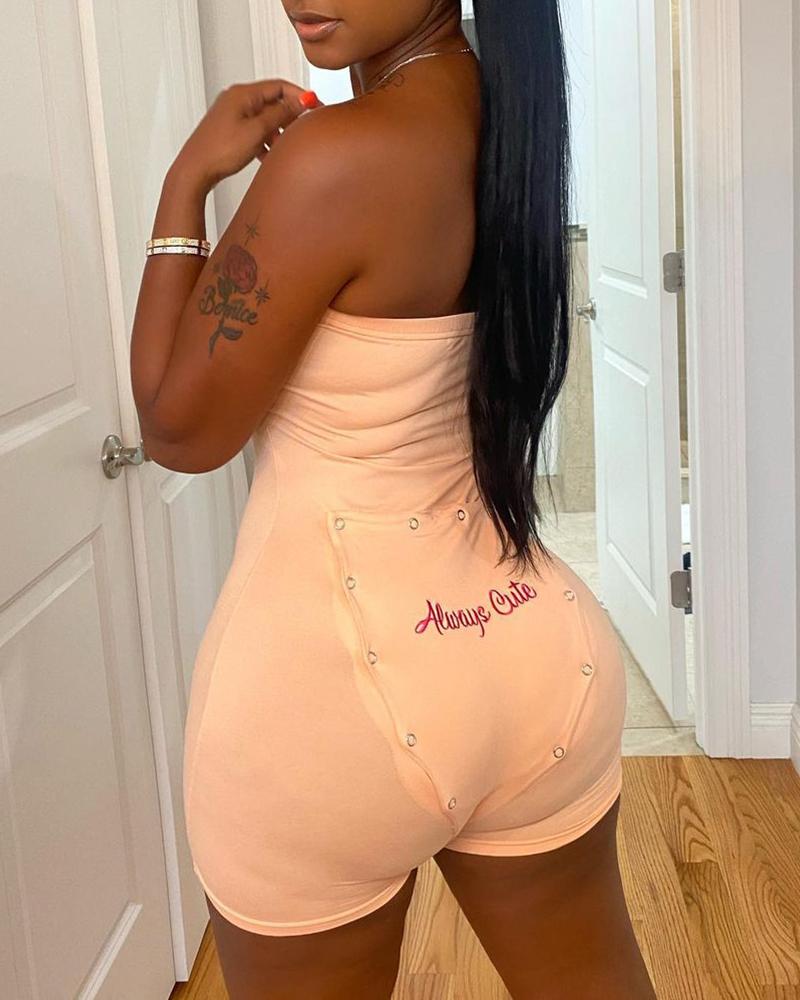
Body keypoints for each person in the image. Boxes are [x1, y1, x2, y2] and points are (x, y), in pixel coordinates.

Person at [130, 1, 656, 997]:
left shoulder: (336, 155)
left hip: (325, 704)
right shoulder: (507, 116)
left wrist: (184, 183)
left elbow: (177, 430)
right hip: (534, 652)